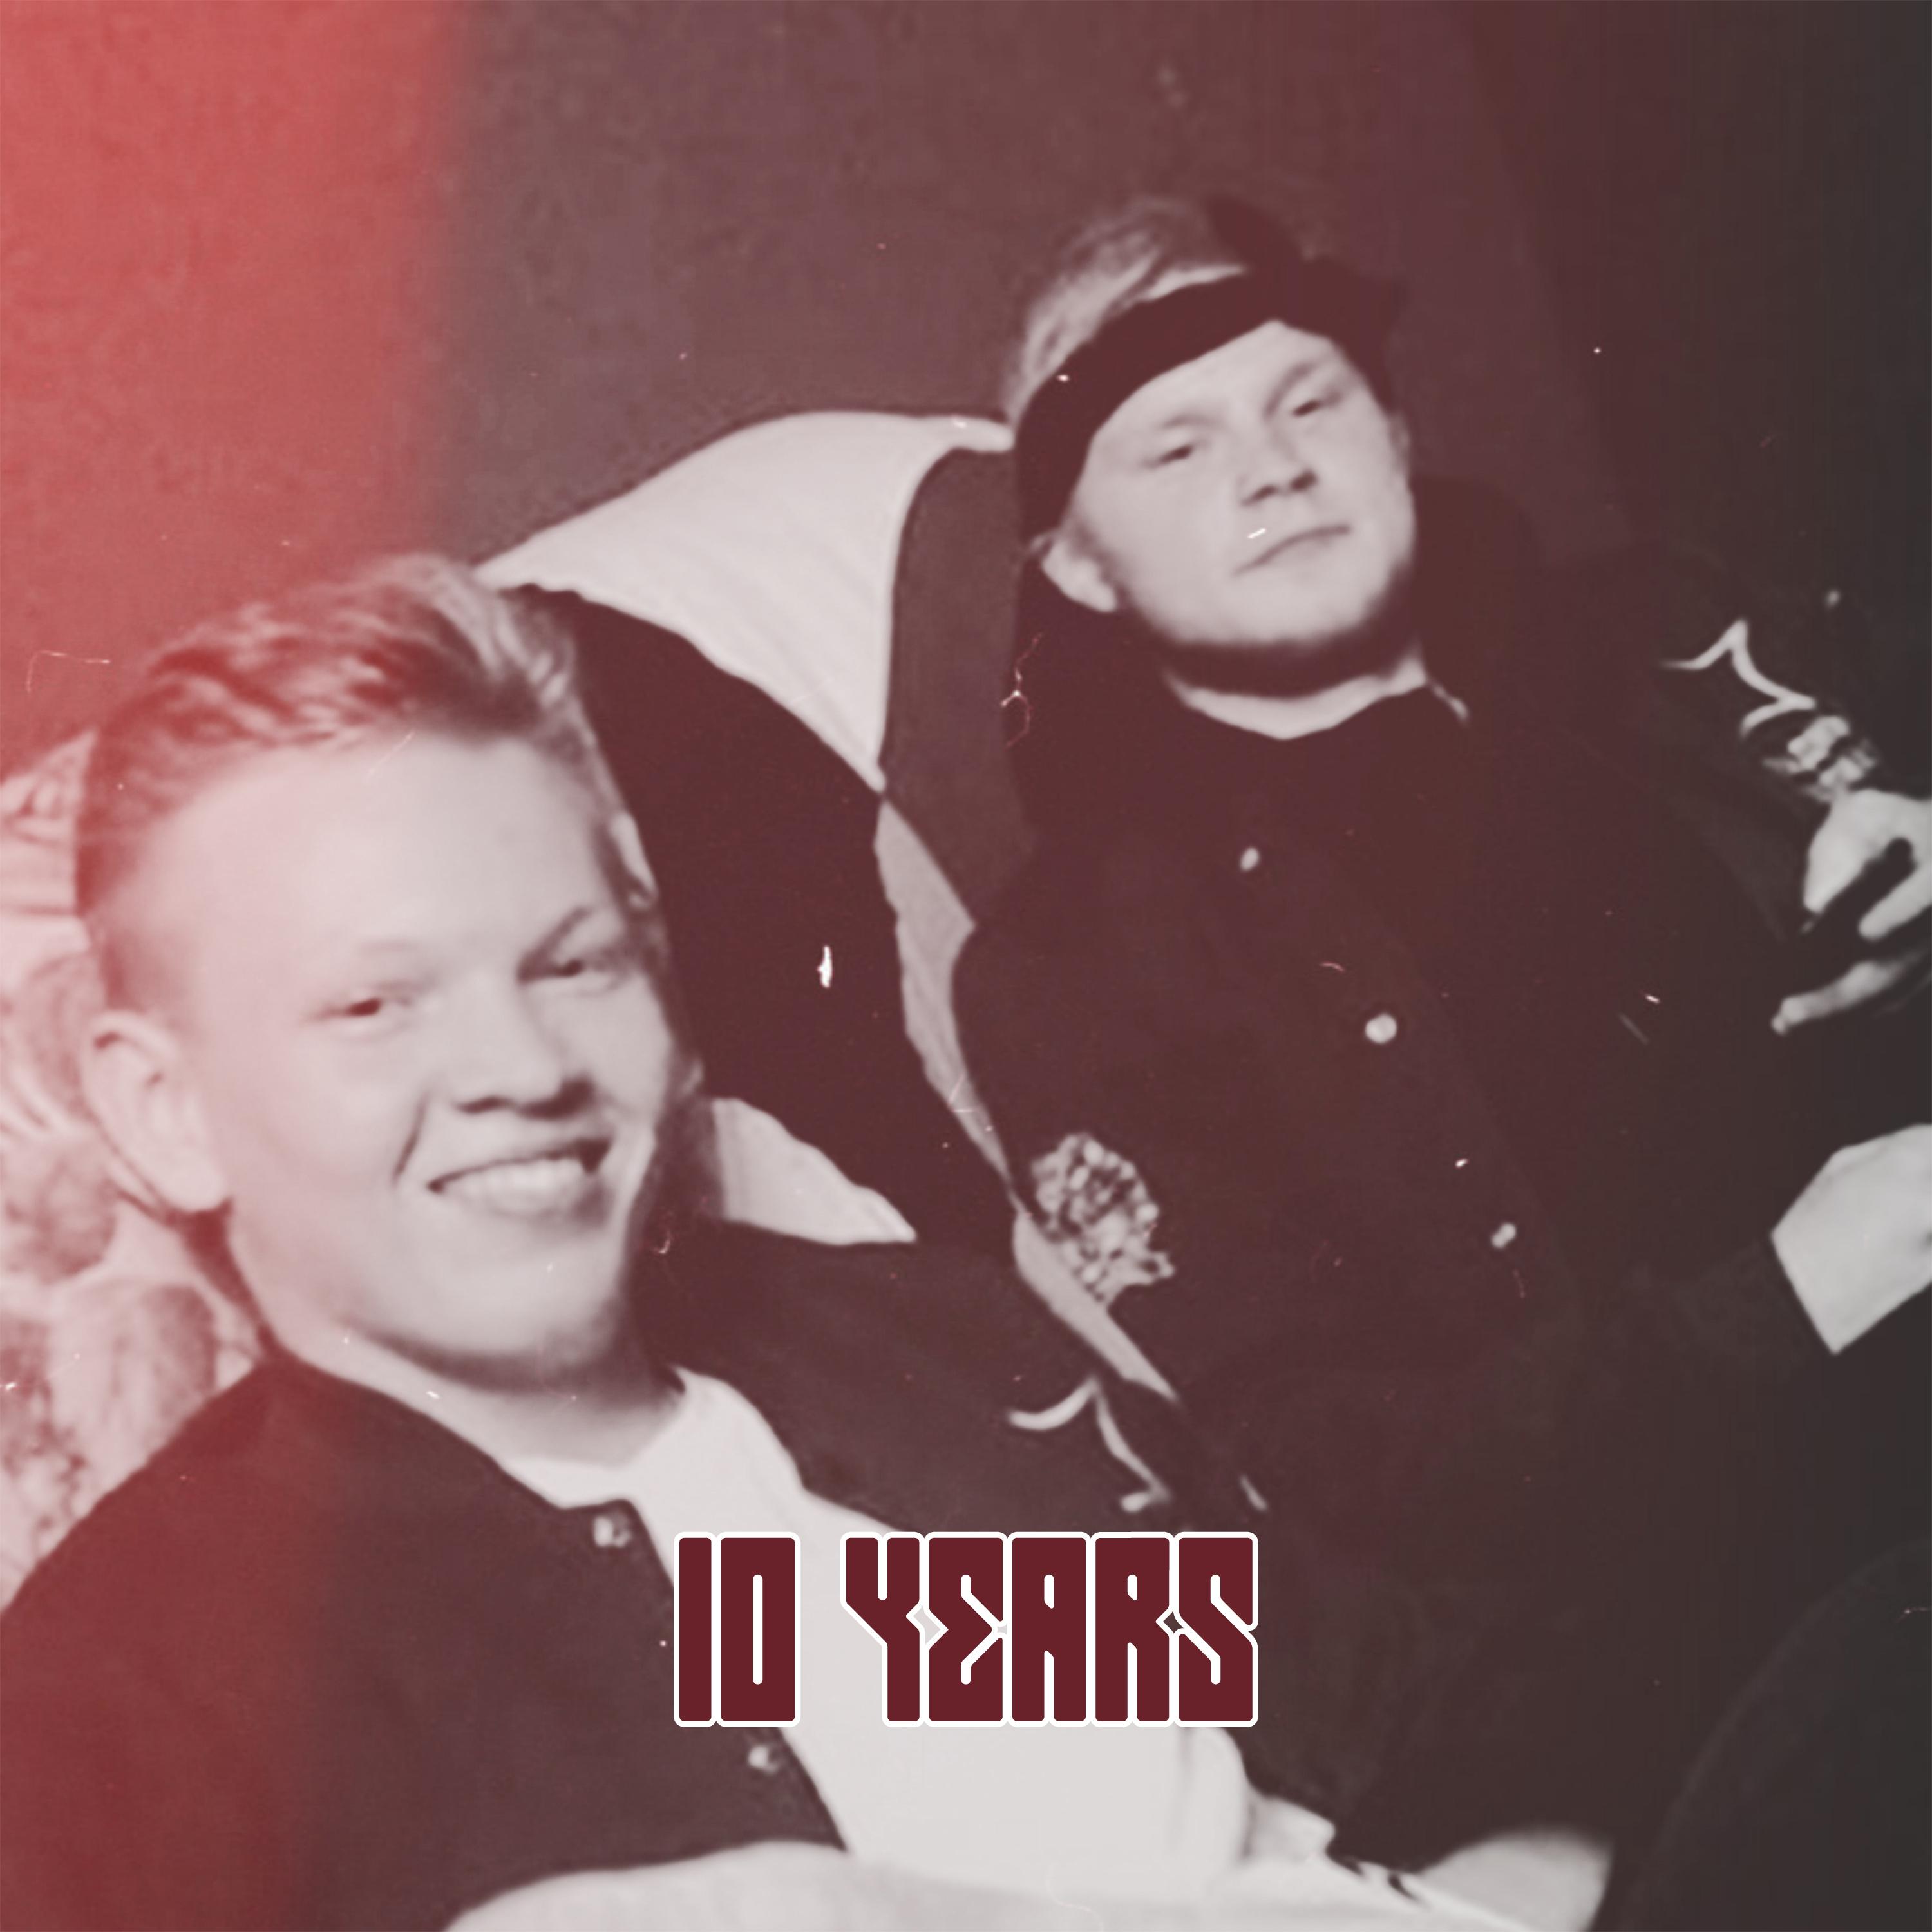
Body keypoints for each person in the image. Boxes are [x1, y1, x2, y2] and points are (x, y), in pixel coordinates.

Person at [0, 558, 1520, 1932]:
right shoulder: (125, 1713)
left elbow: (1426, 1744)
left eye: (576, 964)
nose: (523, 1066)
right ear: (165, 1114)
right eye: (374, 1005)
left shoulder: (922, 1351)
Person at [954, 196, 1932, 1858]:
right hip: (1739, 1623)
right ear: (1079, 564)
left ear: (1398, 434)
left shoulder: (1658, 638)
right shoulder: (1080, 966)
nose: (1274, 468)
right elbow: (1333, 1461)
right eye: (1178, 446)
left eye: (1311, 400)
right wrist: (1788, 1295)